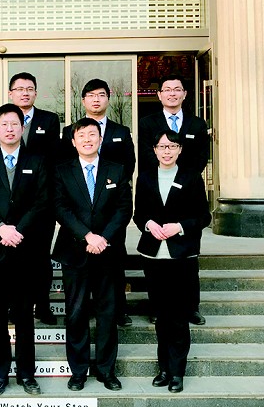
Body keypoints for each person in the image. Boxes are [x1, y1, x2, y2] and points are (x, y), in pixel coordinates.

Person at [0, 104, 50, 396]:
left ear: (22, 127)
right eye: (3, 124)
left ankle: (27, 373)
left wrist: (18, 230)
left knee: (25, 314)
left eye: (15, 123)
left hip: (26, 249)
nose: (9, 128)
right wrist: (1, 228)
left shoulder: (37, 161)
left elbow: (42, 201)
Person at [53, 118, 132, 392]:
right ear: (73, 141)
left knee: (107, 313)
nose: (87, 139)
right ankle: (78, 370)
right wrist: (87, 236)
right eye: (82, 135)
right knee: (76, 313)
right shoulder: (62, 171)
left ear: (100, 139)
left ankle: (106, 370)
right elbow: (60, 209)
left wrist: (103, 238)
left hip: (107, 252)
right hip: (75, 251)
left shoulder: (116, 170)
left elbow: (124, 209)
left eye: (92, 134)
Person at [133, 130, 211, 394]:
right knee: (161, 316)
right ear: (154, 150)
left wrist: (180, 226)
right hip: (153, 256)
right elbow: (138, 214)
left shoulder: (191, 177)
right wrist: (148, 224)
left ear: (179, 150)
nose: (167, 151)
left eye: (172, 146)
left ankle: (177, 371)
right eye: (162, 147)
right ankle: (164, 368)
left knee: (178, 316)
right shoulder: (145, 178)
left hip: (181, 256)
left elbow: (204, 216)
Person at [60, 78, 135, 327]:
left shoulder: (120, 131)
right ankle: (84, 312)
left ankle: (118, 310)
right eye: (91, 95)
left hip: (110, 214)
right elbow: (66, 172)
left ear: (108, 99)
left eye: (101, 95)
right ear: (83, 100)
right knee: (80, 276)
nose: (96, 99)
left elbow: (129, 164)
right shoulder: (70, 131)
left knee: (114, 266)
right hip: (79, 218)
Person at [138, 74, 210, 326]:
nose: (172, 93)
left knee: (187, 267)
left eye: (177, 89)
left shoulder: (197, 124)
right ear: (159, 95)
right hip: (156, 189)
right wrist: (160, 172)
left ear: (184, 94)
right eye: (167, 89)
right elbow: (145, 153)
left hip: (186, 195)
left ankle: (191, 308)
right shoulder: (147, 123)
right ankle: (158, 308)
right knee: (156, 268)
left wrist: (184, 177)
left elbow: (201, 156)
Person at [0, 72, 61, 325]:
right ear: (11, 93)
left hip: (40, 205)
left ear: (36, 93)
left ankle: (42, 305)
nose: (25, 93)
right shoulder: (4, 120)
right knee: (11, 260)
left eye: (29, 88)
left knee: (40, 259)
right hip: (10, 207)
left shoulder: (49, 120)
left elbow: (53, 160)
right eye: (19, 89)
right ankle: (14, 306)